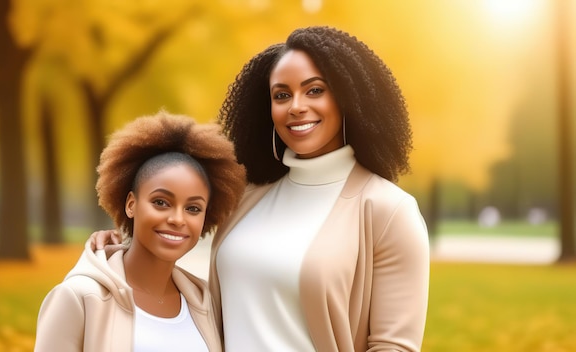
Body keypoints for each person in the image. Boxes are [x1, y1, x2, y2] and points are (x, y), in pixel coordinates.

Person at [94, 25, 430, 351]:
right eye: (282, 95)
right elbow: (172, 225)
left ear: (348, 98)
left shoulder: (388, 211)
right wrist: (117, 246)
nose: (296, 106)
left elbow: (393, 347)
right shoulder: (248, 196)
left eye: (315, 90)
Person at [34, 111, 246, 352]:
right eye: (161, 202)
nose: (177, 219)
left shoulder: (204, 302)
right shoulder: (78, 298)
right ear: (131, 204)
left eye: (193, 208)